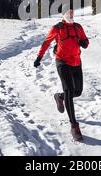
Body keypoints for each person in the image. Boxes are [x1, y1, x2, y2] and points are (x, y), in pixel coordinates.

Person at [34, 9, 89, 141]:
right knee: (69, 90)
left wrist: (84, 43)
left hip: (76, 62)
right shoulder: (57, 28)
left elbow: (86, 41)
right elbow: (46, 42)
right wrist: (39, 57)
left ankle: (59, 97)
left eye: (72, 13)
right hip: (62, 62)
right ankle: (74, 126)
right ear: (63, 15)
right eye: (68, 13)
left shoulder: (78, 27)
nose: (71, 15)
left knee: (78, 92)